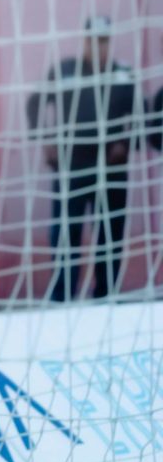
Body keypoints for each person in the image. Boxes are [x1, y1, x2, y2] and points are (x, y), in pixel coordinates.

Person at [29, 17, 139, 301]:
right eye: (93, 40)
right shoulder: (64, 71)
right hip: (71, 165)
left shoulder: (124, 73)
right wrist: (45, 139)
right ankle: (63, 294)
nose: (98, 46)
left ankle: (105, 293)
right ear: (85, 40)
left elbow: (140, 114)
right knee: (66, 232)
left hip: (111, 167)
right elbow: (35, 103)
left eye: (104, 40)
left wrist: (126, 143)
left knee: (110, 233)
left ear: (109, 42)